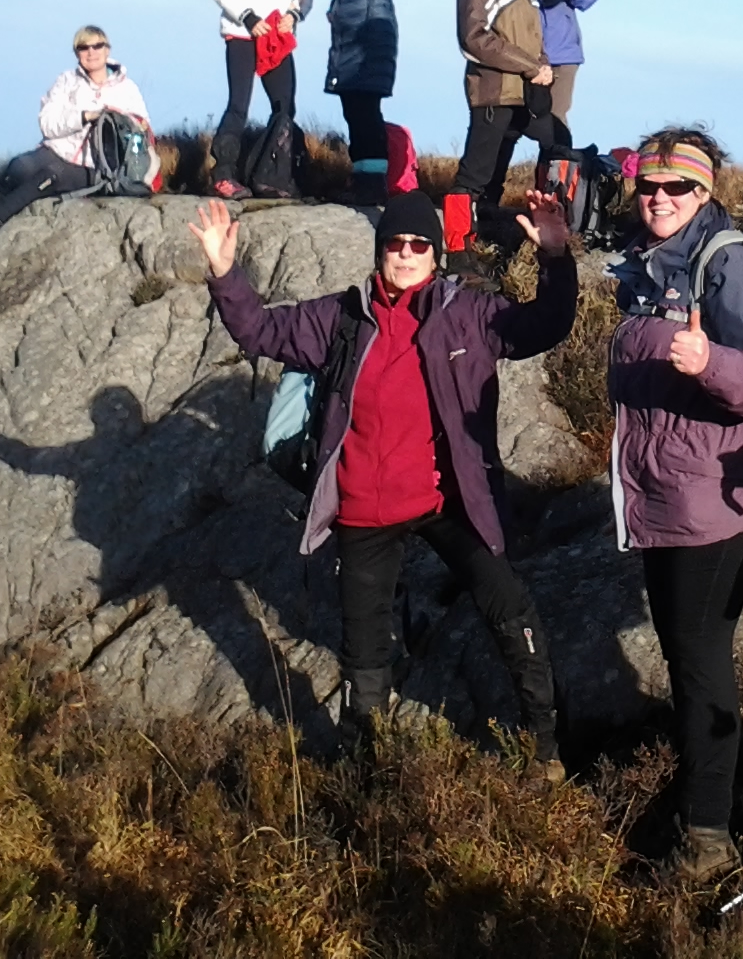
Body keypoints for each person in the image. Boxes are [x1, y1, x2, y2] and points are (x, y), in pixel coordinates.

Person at [191, 188, 579, 778]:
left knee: (509, 606)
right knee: (365, 649)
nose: (405, 254)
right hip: (365, 509)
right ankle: (365, 769)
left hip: (448, 498)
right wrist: (224, 270)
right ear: (380, 251)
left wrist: (555, 255)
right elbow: (261, 333)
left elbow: (545, 325)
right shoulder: (341, 318)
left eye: (419, 245)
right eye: (395, 244)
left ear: (435, 255)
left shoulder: (468, 314)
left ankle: (544, 748)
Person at [606, 128, 743, 881]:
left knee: (701, 664)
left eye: (676, 188)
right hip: (662, 496)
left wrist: (711, 361)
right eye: (648, 185)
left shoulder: (729, 266)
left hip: (712, 504)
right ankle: (697, 811)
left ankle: (707, 839)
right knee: (687, 659)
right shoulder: (649, 268)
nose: (658, 198)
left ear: (705, 192)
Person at [0, 26, 153, 241]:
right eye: (83, 47)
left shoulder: (127, 89)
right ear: (76, 53)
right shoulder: (66, 82)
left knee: (49, 176)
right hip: (57, 150)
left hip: (97, 167)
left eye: (97, 46)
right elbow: (47, 123)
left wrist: (120, 120)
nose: (91, 52)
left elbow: (142, 126)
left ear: (107, 50)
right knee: (20, 166)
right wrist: (83, 117)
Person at [451, 0, 569, 211]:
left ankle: (549, 215)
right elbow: (473, 40)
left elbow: (532, 39)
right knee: (475, 174)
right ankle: (457, 241)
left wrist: (543, 66)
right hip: (493, 94)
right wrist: (531, 67)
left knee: (558, 140)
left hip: (524, 95)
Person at [208, 0, 314, 200]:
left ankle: (273, 175)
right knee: (239, 104)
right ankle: (223, 174)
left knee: (284, 108)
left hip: (277, 37)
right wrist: (248, 16)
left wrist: (294, 14)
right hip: (242, 33)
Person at [324, 0, 417, 205]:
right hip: (345, 38)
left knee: (366, 110)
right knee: (352, 110)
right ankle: (361, 177)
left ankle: (374, 183)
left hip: (372, 37)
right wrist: (333, 11)